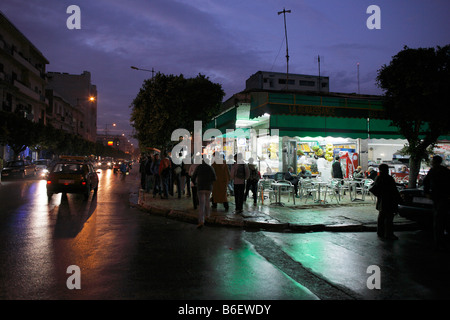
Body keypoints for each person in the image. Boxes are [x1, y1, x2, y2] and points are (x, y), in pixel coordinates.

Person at [423, 155, 450, 251]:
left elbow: (425, 182)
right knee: (443, 218)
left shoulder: (433, 171)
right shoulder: (445, 171)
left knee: (438, 220)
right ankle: (442, 240)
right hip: (444, 197)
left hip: (438, 197)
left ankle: (438, 242)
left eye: (432, 161)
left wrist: (426, 193)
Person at [369, 163, 402, 240]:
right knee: (389, 218)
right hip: (389, 200)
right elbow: (394, 190)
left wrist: (379, 195)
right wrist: (399, 199)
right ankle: (389, 233)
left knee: (381, 216)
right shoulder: (388, 178)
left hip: (382, 200)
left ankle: (380, 232)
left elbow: (374, 189)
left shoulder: (378, 178)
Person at [191, 158, 216, 228]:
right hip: (208, 188)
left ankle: (201, 220)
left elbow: (193, 177)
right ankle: (207, 216)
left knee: (201, 204)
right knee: (207, 201)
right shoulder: (210, 167)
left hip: (200, 187)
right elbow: (214, 178)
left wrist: (195, 183)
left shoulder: (199, 167)